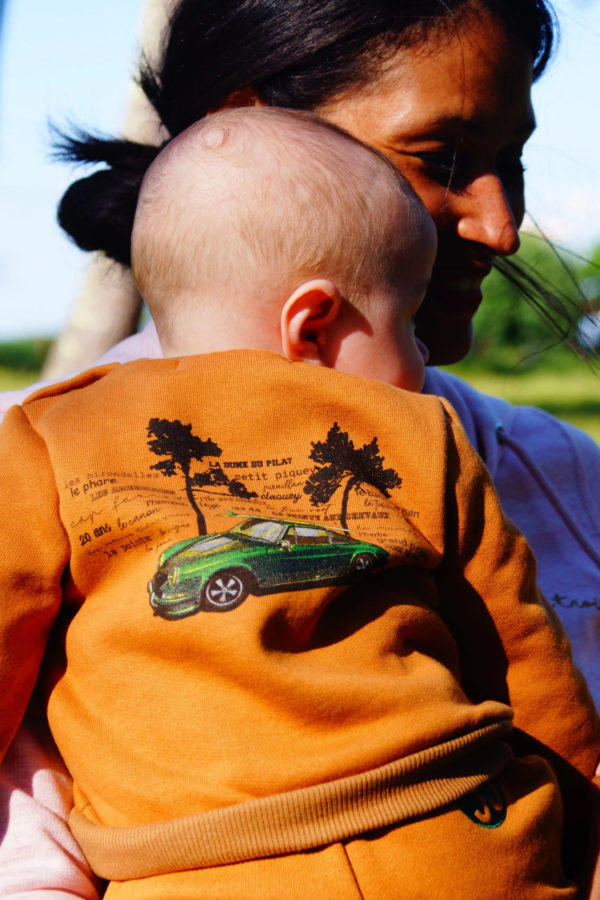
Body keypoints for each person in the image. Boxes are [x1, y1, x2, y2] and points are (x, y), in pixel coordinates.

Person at [0, 0, 599, 895]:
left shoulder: (566, 476)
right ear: (252, 126)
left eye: (511, 164)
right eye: (442, 158)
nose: (501, 225)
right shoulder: (40, 459)